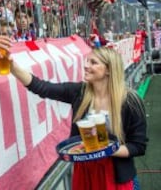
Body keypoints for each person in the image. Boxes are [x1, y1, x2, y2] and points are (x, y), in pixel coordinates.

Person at [9, 47, 147, 189]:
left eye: (93, 62)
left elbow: (138, 146)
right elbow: (42, 87)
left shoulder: (130, 101)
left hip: (116, 176)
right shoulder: (79, 92)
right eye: (87, 61)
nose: (86, 65)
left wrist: (105, 150)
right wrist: (13, 67)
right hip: (84, 173)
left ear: (108, 70)